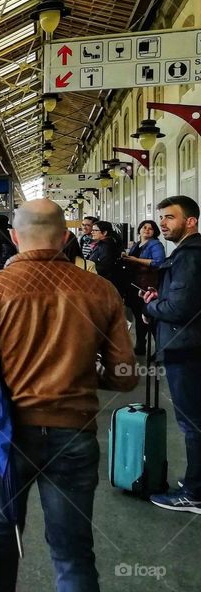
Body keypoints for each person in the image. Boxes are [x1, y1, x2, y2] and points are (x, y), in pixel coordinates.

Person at [0, 199, 136, 591]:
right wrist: (79, 371)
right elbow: (124, 375)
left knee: (1, 537)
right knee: (73, 552)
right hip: (75, 436)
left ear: (15, 238)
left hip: (8, 438)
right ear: (66, 238)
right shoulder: (100, 290)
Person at [141, 196, 201, 513]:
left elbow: (179, 308)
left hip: (186, 349)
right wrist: (158, 301)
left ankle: (194, 493)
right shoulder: (186, 254)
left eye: (170, 217)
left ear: (190, 221)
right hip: (191, 346)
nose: (163, 223)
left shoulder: (189, 256)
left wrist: (151, 306)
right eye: (161, 217)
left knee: (193, 423)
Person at [121, 219, 165, 356]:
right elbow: (132, 260)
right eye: (144, 227)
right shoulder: (137, 244)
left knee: (150, 319)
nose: (147, 230)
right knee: (139, 318)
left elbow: (159, 262)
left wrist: (135, 260)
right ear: (139, 229)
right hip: (134, 285)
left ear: (154, 232)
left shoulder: (155, 244)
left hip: (147, 286)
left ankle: (160, 350)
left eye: (150, 228)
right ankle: (141, 345)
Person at [88, 220, 121, 290]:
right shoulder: (104, 244)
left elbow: (104, 266)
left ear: (104, 232)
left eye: (95, 230)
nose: (92, 232)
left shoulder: (106, 245)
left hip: (102, 282)